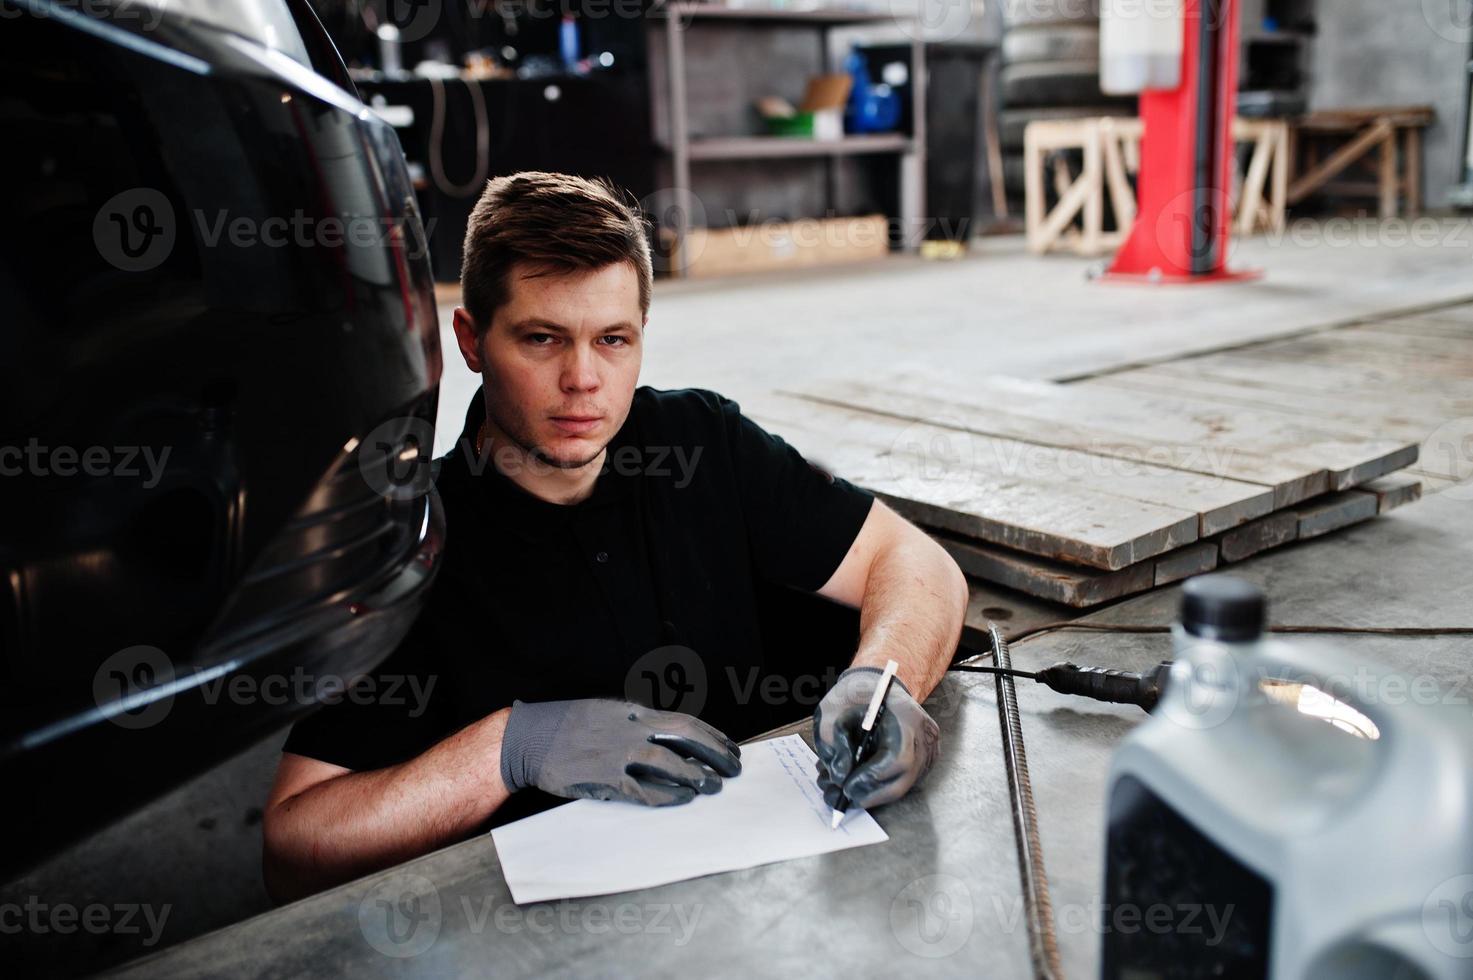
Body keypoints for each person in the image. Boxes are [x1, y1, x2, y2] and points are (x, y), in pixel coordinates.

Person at [261, 172, 968, 901]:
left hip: (760, 899)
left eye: (612, 340)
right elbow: (294, 844)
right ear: (472, 341)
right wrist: (508, 749)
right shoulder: (409, 539)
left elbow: (912, 560)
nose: (583, 379)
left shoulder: (703, 443)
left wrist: (884, 681)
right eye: (542, 339)